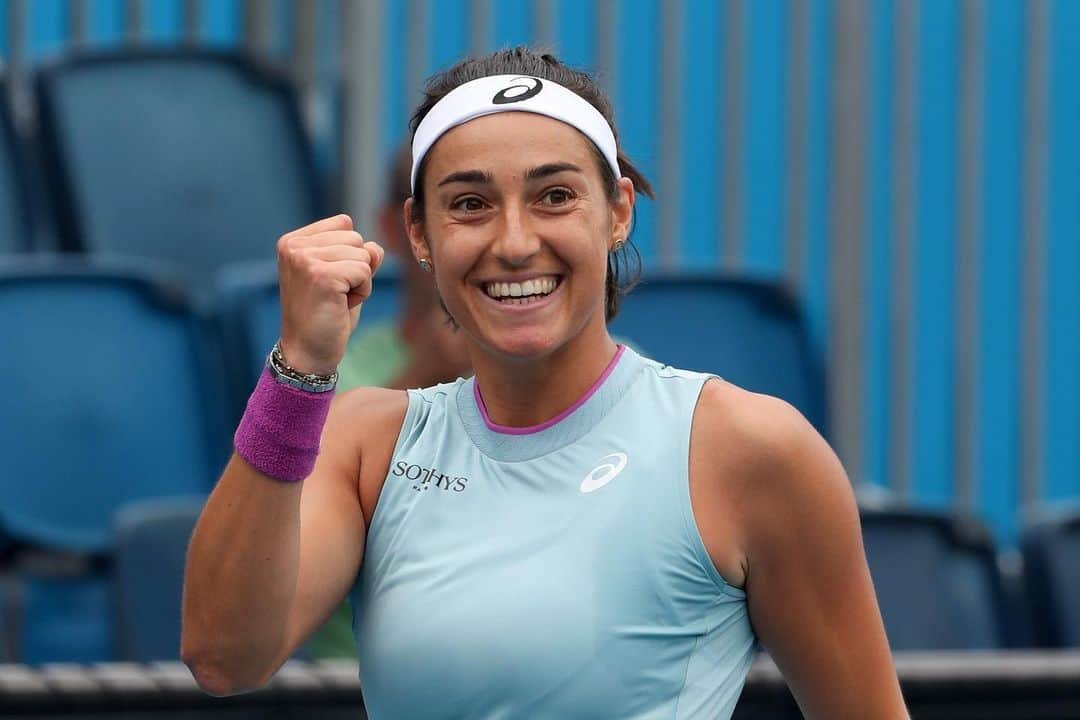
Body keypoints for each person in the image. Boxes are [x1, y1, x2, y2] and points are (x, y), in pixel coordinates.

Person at [182, 47, 909, 719]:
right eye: (470, 203)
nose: (515, 241)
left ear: (617, 211)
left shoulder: (749, 447)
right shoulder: (367, 441)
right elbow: (224, 656)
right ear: (420, 234)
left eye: (554, 197)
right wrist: (301, 366)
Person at [304, 145, 471, 661]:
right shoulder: (330, 377)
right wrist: (421, 377)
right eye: (462, 206)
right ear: (399, 229)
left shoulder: (610, 378)